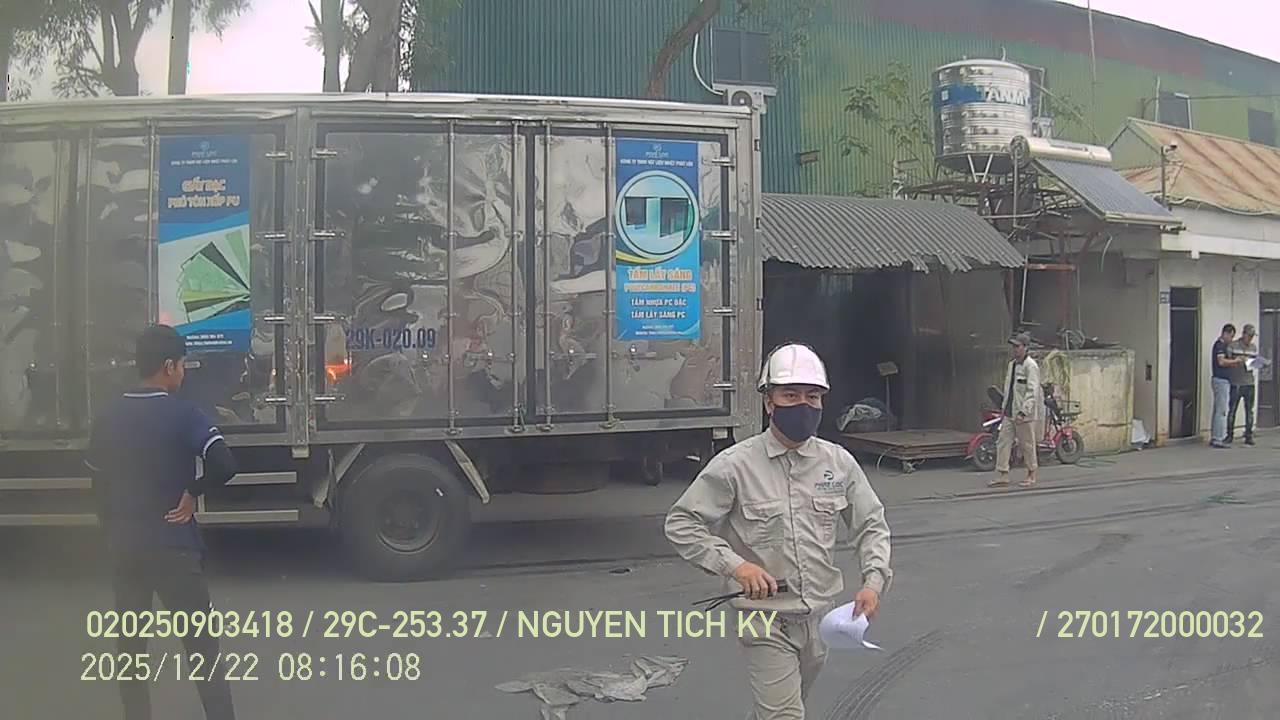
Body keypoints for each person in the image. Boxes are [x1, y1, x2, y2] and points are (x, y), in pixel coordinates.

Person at [664, 343, 892, 720]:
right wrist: (737, 566)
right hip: (764, 619)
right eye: (790, 395)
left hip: (819, 618)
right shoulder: (734, 466)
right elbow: (682, 523)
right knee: (785, 715)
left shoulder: (838, 464)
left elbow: (870, 524)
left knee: (783, 707)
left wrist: (873, 582)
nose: (803, 405)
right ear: (769, 402)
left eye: (812, 396)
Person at [86, 325, 239, 720]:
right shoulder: (184, 413)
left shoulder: (107, 416)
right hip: (175, 548)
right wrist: (192, 493)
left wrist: (111, 529)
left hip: (125, 548)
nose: (183, 373)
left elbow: (98, 481)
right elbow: (225, 464)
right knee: (202, 650)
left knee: (131, 651)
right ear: (169, 366)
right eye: (182, 365)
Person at [991, 332, 1043, 488]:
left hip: (1023, 414)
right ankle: (1003, 473)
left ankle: (1031, 473)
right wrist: (1003, 408)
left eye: (1017, 346)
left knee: (1027, 444)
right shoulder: (1012, 365)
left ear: (1025, 348)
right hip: (1009, 411)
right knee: (1003, 442)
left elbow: (1032, 392)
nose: (1014, 349)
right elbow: (1009, 389)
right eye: (1013, 346)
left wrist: (1023, 412)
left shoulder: (1031, 366)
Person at [1210, 323, 1244, 449]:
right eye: (1231, 336)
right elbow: (1221, 361)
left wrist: (1233, 363)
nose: (1231, 339)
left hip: (1222, 380)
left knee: (1218, 409)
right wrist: (1235, 361)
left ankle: (1216, 436)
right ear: (1225, 333)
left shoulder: (1224, 346)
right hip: (1221, 380)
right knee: (1221, 410)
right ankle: (1218, 438)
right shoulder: (1219, 345)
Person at [1227, 323, 1258, 446]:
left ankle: (1248, 435)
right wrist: (1238, 361)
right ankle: (1229, 435)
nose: (1250, 338)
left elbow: (1254, 364)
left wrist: (1257, 363)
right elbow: (1227, 361)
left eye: (1252, 336)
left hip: (1249, 382)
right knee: (1232, 410)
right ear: (1243, 334)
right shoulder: (1233, 346)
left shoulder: (1253, 347)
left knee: (1249, 410)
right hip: (1236, 382)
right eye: (1249, 336)